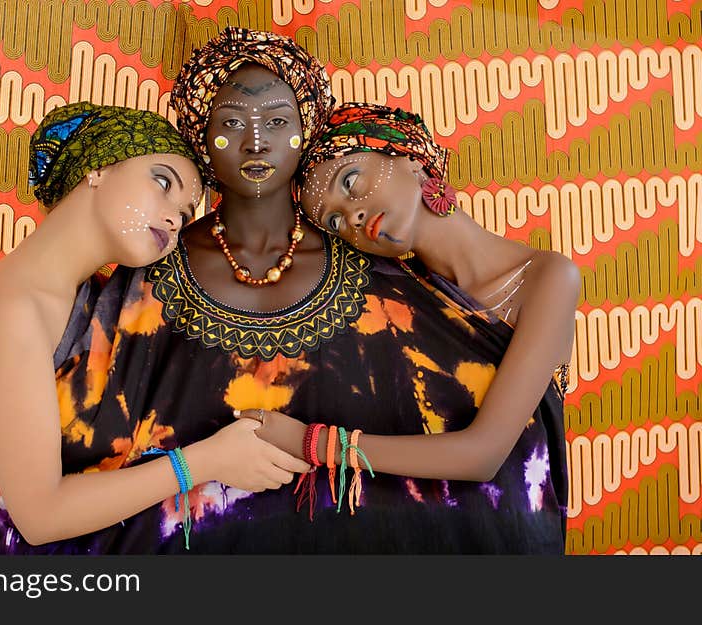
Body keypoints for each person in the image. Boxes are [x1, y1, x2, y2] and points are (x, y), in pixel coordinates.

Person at [37, 27, 570, 553]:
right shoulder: (144, 268)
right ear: (200, 136)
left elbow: (482, 454)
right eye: (229, 123)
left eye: (276, 121)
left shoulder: (402, 284)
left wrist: (313, 443)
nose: (255, 141)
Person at [0, 102, 310, 555]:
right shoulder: (13, 308)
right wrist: (208, 461)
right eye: (162, 183)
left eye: (183, 214)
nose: (173, 220)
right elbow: (39, 515)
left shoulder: (102, 296)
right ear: (98, 167)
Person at [246, 103, 580, 545]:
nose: (353, 218)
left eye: (351, 182)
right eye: (333, 220)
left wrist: (313, 443)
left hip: (512, 537)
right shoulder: (392, 300)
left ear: (409, 155)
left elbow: (483, 454)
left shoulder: (548, 276)